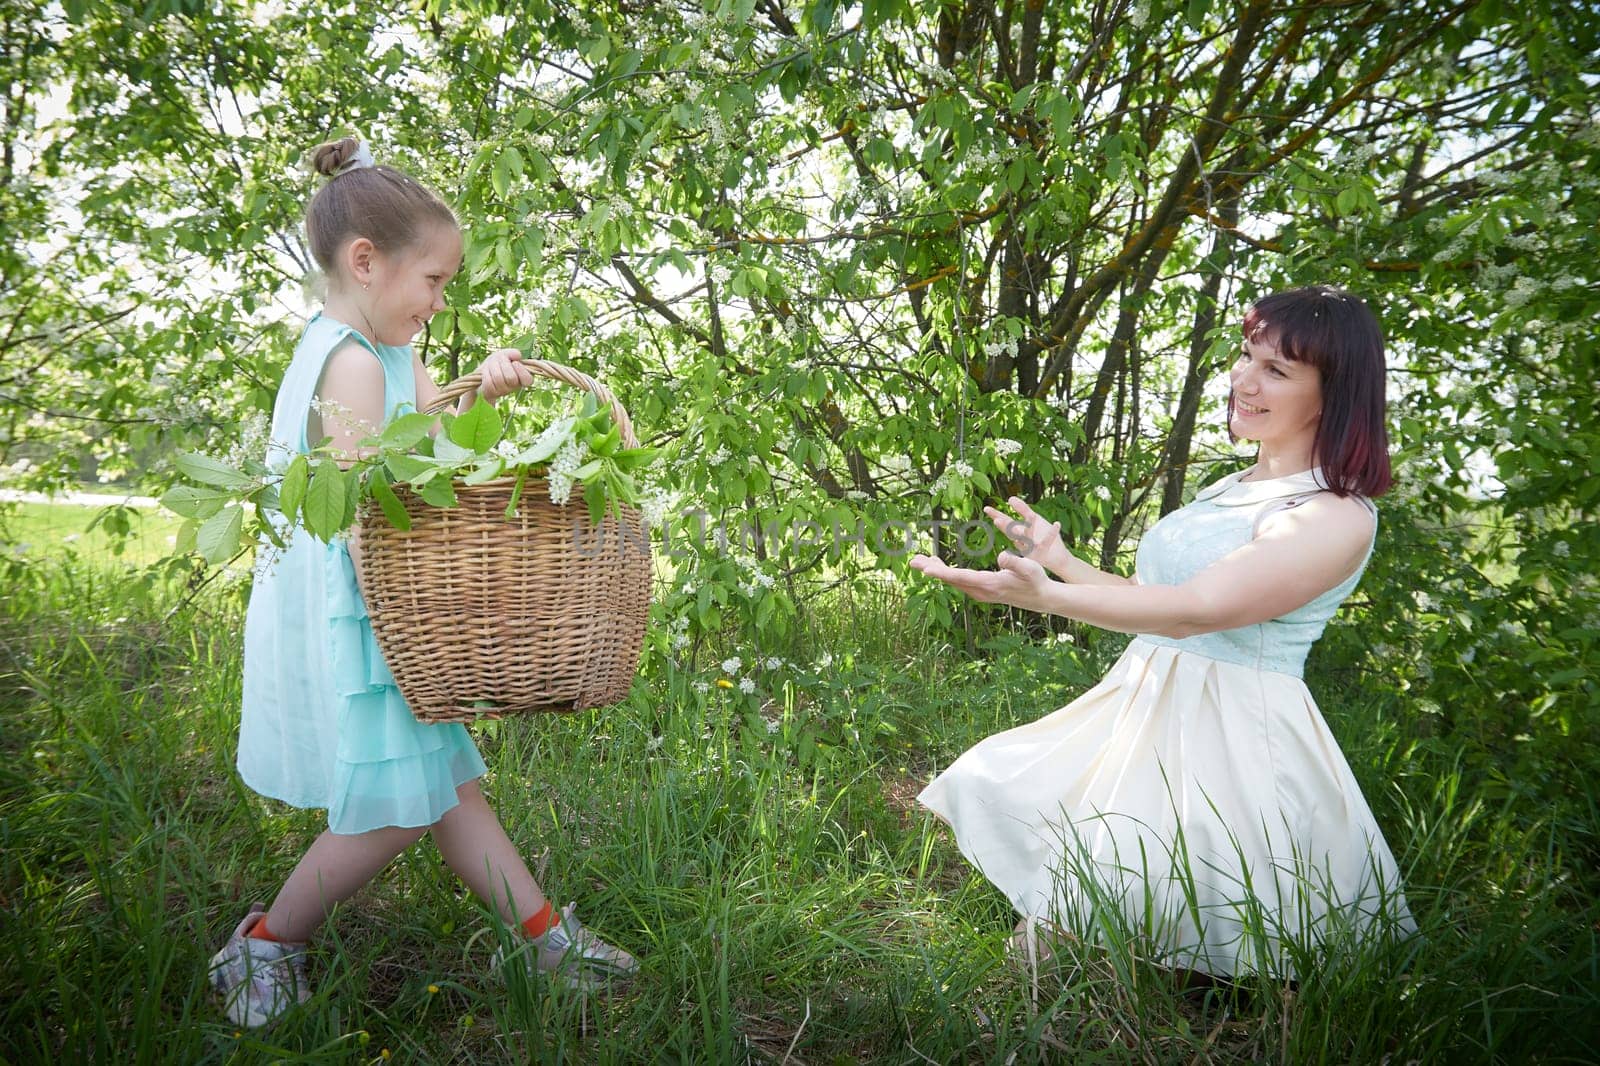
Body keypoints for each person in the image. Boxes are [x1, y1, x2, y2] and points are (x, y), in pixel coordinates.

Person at [209, 136, 636, 1028]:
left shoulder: (394, 354)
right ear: (366, 262)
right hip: (372, 616)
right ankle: (266, 942)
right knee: (400, 809)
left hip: (396, 615)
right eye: (433, 282)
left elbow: (434, 464)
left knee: (448, 791)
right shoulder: (353, 361)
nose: (439, 304)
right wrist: (420, 633)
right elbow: (378, 511)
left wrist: (482, 397)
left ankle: (547, 937)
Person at [911, 285, 1414, 982]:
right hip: (1151, 707)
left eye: (1277, 371)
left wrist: (1050, 599)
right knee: (1066, 927)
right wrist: (1060, 562)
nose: (1244, 380)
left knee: (1171, 932)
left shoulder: (1333, 513)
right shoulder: (1232, 488)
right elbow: (1161, 604)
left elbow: (1197, 612)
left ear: (1334, 393)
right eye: (1246, 357)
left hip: (1232, 738)